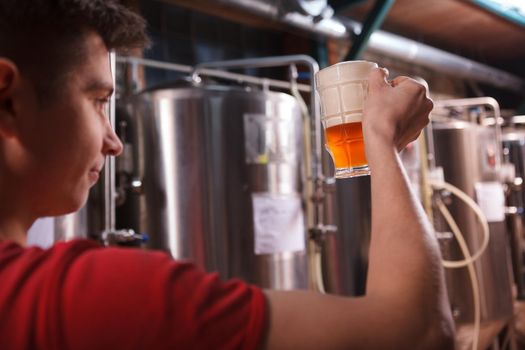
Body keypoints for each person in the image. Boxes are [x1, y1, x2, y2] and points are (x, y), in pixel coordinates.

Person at [0, 1, 455, 349]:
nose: (113, 141)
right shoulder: (86, 298)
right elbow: (416, 333)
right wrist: (383, 143)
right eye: (99, 101)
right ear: (9, 100)